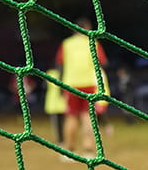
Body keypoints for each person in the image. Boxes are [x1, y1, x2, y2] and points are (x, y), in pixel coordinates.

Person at [55, 17, 108, 159]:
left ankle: (69, 151)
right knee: (88, 117)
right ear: (87, 28)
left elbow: (60, 66)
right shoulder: (93, 43)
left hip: (70, 84)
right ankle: (88, 151)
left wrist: (60, 86)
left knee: (71, 117)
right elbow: (102, 64)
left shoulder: (66, 44)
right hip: (89, 84)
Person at [43, 68, 66, 144]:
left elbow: (44, 86)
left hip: (53, 103)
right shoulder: (65, 72)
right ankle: (64, 140)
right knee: (65, 123)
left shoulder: (49, 73)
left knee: (57, 125)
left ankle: (61, 141)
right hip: (64, 103)